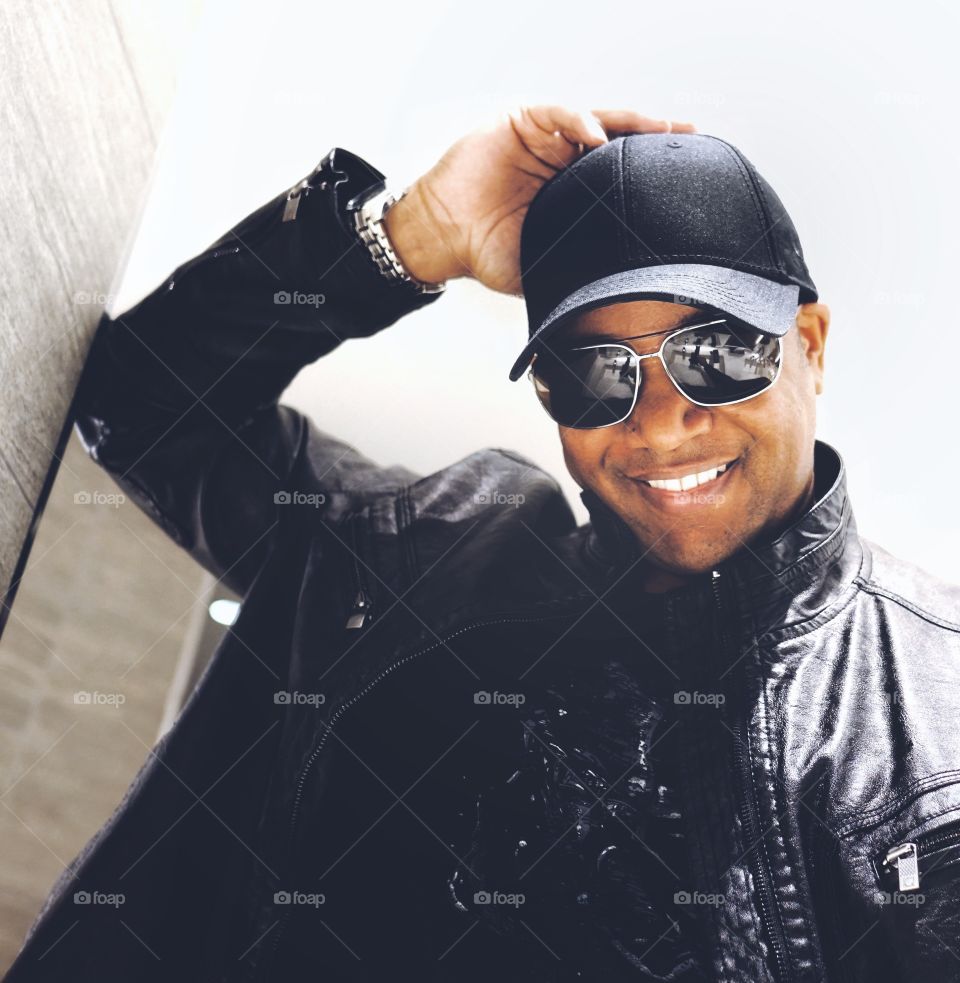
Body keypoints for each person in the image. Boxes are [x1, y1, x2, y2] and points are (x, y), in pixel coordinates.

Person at [6, 104, 960, 983]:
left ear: (812, 343)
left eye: (716, 353)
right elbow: (146, 408)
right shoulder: (429, 555)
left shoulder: (933, 719)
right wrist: (407, 237)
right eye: (592, 373)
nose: (661, 428)